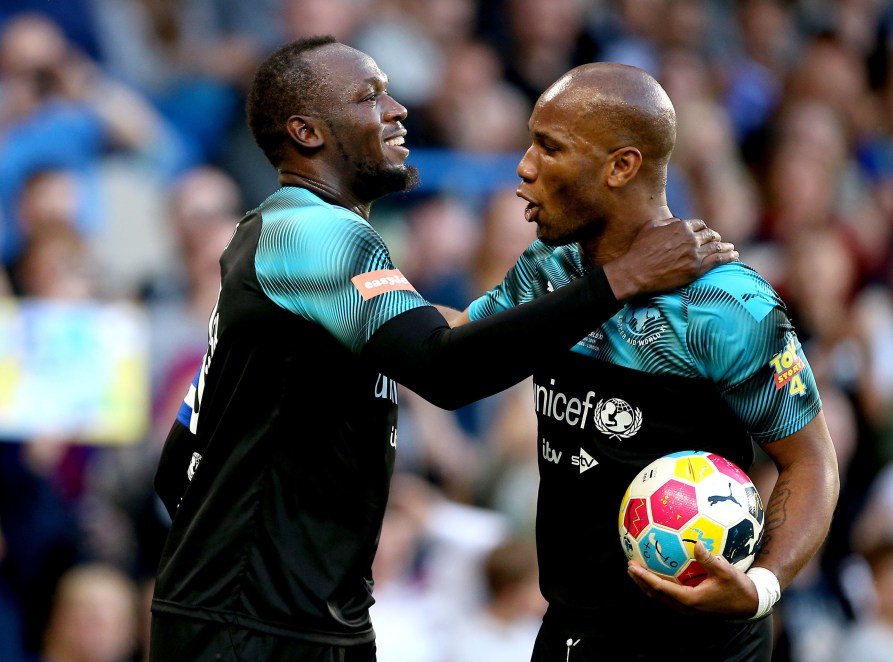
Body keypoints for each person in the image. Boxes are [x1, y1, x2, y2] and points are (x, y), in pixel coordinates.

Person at [148, 36, 737, 661]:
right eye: (369, 96)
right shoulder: (312, 231)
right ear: (306, 132)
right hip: (254, 626)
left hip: (298, 615)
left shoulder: (291, 238)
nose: (398, 108)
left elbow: (179, 463)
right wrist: (622, 279)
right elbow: (446, 367)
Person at [456, 62, 840, 660]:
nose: (525, 167)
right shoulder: (549, 269)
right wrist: (352, 294)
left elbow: (812, 463)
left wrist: (762, 586)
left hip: (698, 643)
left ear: (621, 167)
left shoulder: (726, 304)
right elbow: (464, 349)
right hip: (572, 626)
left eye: (550, 148)